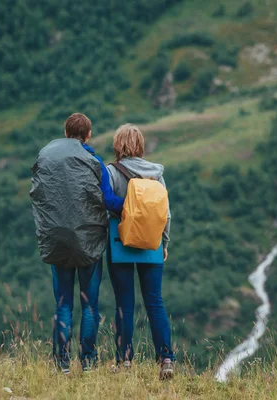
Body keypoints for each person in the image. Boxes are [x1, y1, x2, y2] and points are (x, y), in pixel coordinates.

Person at [30, 113, 124, 375]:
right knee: (89, 305)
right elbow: (107, 200)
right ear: (88, 135)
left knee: (63, 304)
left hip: (57, 240)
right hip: (88, 243)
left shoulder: (46, 158)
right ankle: (89, 362)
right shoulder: (94, 162)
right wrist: (133, 205)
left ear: (65, 131)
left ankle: (61, 364)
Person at [106, 123, 175, 380]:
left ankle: (124, 361)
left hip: (119, 241)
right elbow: (165, 213)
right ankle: (166, 358)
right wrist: (164, 242)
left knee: (124, 303)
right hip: (152, 243)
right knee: (154, 301)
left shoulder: (112, 171)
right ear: (140, 145)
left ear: (118, 144)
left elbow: (104, 206)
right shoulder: (157, 174)